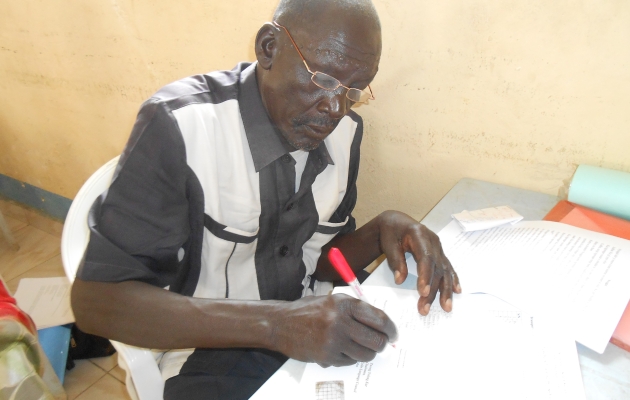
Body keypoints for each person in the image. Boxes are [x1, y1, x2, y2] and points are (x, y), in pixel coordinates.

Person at [71, 0, 461, 398]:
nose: (335, 107)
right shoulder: (179, 129)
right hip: (208, 345)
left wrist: (383, 229)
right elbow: (98, 301)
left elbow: (320, 260)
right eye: (324, 78)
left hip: (313, 316)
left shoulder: (344, 132)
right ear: (269, 48)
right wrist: (278, 324)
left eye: (354, 90)